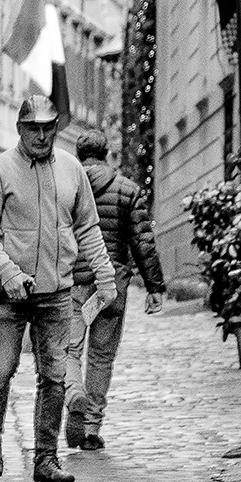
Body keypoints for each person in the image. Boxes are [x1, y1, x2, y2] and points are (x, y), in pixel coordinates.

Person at [0, 95, 117, 482]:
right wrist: (8, 272)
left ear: (56, 128)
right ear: (20, 129)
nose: (40, 135)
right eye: (33, 128)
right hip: (9, 293)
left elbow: (88, 228)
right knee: (1, 370)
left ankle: (46, 457)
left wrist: (105, 275)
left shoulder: (72, 169)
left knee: (53, 376)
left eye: (47, 128)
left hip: (56, 291)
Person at [65, 128, 166, 451]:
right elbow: (142, 241)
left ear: (79, 156)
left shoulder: (65, 186)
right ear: (106, 154)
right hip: (112, 285)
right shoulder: (127, 189)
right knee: (101, 356)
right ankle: (91, 427)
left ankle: (74, 394)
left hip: (73, 282)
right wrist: (154, 286)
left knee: (69, 350)